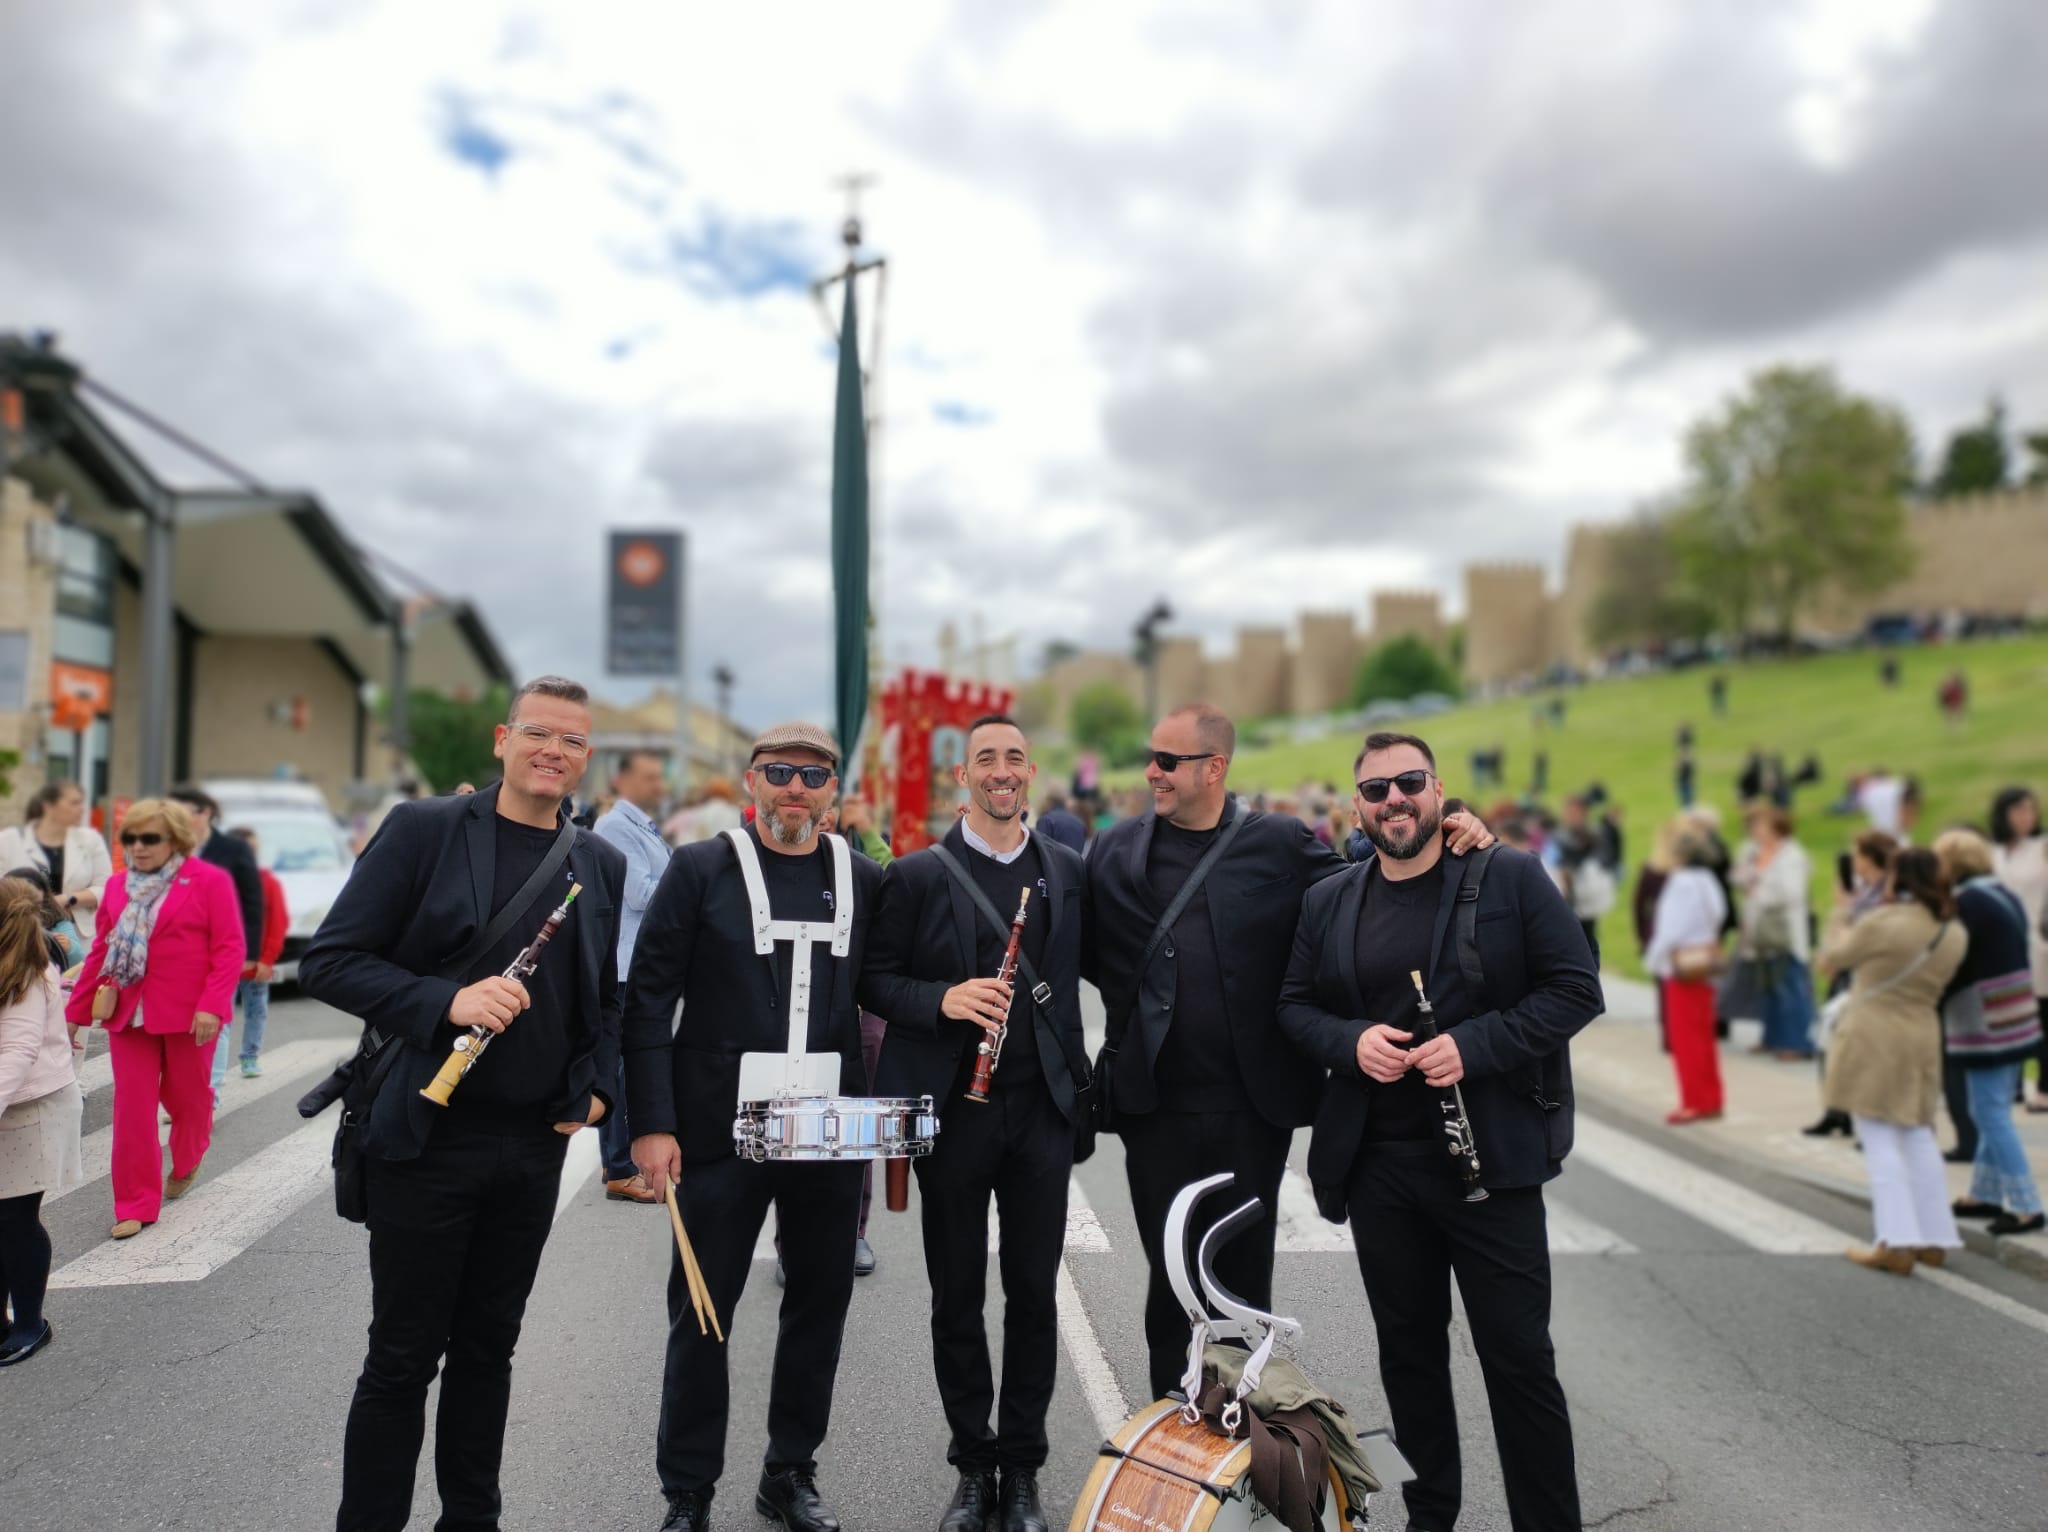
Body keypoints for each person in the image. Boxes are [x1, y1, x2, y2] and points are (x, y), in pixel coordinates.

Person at [1082, 703, 1487, 1402]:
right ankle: (1172, 1439)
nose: (1151, 771)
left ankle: (1237, 1440)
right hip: (1156, 1107)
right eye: (1152, 757)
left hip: (1253, 1106)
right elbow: (1082, 946)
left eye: (1167, 761)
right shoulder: (1116, 849)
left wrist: (1453, 827)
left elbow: (1363, 885)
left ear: (1214, 769)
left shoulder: (1279, 842)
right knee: (1171, 1280)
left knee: (1240, 1283)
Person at [299, 676, 626, 1532]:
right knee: (403, 1357)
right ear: (502, 739)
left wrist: (599, 1091)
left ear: (588, 758)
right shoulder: (424, 830)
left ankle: (471, 1520)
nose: (554, 751)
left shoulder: (600, 862)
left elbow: (608, 999)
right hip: (425, 1137)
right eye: (539, 733)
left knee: (490, 1351)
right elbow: (330, 961)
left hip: (534, 1148)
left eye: (574, 741)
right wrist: (444, 1002)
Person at [1277, 730, 1599, 1532]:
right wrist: (1349, 1042)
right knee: (1410, 1360)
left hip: (1492, 1162)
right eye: (1378, 790)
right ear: (1357, 807)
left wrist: (1476, 1046)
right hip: (1381, 1166)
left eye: (1410, 782)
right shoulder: (1331, 899)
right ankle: (1432, 1514)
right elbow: (1293, 1007)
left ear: (1438, 788)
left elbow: (1576, 989)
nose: (1395, 800)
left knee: (1519, 1361)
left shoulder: (1510, 877)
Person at [624, 723, 880, 1532]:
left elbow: (897, 991)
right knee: (704, 1313)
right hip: (718, 1131)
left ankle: (789, 1472)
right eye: (779, 773)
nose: (794, 789)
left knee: (818, 1306)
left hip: (828, 1133)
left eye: (812, 776)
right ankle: (687, 1494)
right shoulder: (700, 869)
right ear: (751, 781)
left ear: (833, 791)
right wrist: (653, 1124)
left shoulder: (866, 879)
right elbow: (648, 1001)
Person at [859, 716, 1088, 1532]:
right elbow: (876, 981)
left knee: (1032, 1293)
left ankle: (1022, 1468)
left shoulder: (1066, 869)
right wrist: (944, 1000)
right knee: (956, 1295)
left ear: (1031, 772)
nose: (1001, 771)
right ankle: (972, 1464)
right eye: (985, 758)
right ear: (963, 777)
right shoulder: (919, 876)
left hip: (1043, 1115)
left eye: (1014, 758)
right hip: (955, 1114)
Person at [63, 799, 243, 1239]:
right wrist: (75, 1013)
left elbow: (229, 948)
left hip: (190, 1014)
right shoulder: (120, 887)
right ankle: (135, 1203)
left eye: (149, 839)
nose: (138, 847)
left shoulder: (209, 882)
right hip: (128, 1012)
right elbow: (102, 950)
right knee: (133, 1110)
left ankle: (190, 1151)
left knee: (187, 1099)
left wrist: (211, 1005)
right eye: (131, 839)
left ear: (176, 840)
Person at [1813, 848, 1969, 1274]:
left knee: (1878, 1134)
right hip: (1923, 1032)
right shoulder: (1952, 930)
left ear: (1897, 877)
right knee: (1918, 1134)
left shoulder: (1884, 922)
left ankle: (1895, 1240)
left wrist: (1841, 914)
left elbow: (1831, 959)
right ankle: (1935, 1237)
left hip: (1874, 1033)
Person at [1934, 830, 2045, 1237]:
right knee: (1993, 1105)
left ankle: (2028, 1205)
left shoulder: (1966, 904)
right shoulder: (2002, 892)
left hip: (1984, 1019)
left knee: (1990, 1112)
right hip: (2015, 1010)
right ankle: (1984, 1192)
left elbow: (1953, 962)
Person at [0, 879, 84, 1365]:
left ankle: (31, 1323)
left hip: (31, 1108)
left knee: (14, 1218)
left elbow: (17, 1051)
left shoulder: (28, 974)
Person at [592, 749, 674, 1205]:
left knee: (628, 1064)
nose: (657, 784)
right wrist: (686, 879)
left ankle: (617, 1162)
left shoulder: (639, 824)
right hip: (623, 963)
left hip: (639, 961)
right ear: (622, 779)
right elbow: (640, 893)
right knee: (622, 1071)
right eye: (648, 776)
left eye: (659, 776)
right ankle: (620, 1168)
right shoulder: (617, 827)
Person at [1803, 831, 1898, 1137]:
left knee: (1852, 1047)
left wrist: (1843, 915)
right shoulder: (1866, 891)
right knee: (1830, 1042)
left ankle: (1854, 1113)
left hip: (1865, 978)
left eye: (1857, 854)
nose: (1853, 861)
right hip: (1846, 973)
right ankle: (1835, 1110)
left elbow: (1863, 935)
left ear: (1870, 858)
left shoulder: (1886, 893)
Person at [169, 785, 266, 1074]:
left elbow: (253, 902)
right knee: (184, 1021)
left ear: (206, 813)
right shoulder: (169, 848)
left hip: (225, 946)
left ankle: (211, 1093)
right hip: (181, 950)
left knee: (218, 1018)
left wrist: (250, 952)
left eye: (184, 814)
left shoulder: (233, 850)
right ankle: (186, 1091)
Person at [1644, 821, 1729, 1124]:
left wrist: (1653, 959)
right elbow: (1719, 913)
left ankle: (1693, 1101)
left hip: (1681, 964)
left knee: (1685, 1039)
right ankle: (1712, 1098)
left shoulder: (1681, 882)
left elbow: (1670, 930)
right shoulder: (1707, 879)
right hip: (1704, 960)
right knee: (1704, 1036)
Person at [1734, 803, 1815, 1060]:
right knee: (1768, 987)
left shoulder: (1792, 856)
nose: (1755, 830)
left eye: (1761, 825)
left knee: (1789, 986)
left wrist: (1758, 889)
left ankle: (1797, 1042)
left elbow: (1792, 892)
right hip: (1760, 933)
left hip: (1783, 933)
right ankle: (1772, 1037)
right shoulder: (1754, 852)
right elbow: (1739, 877)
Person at [1986, 787, 2048, 1113]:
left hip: (2040, 942)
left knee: (2043, 1016)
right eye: (2019, 810)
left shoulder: (2042, 848)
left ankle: (2045, 1086)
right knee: (2007, 1014)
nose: (2026, 817)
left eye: (2031, 810)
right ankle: (2012, 1084)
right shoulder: (1992, 851)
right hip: (2003, 942)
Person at [211, 827, 286, 1088]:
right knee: (221, 1018)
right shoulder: (218, 880)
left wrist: (266, 960)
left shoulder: (268, 882)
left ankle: (250, 1056)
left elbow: (278, 922)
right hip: (223, 966)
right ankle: (212, 1074)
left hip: (255, 966)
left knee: (257, 1012)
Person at [0, 781, 113, 930]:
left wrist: (66, 900)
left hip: (76, 937)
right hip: (21, 932)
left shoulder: (91, 840)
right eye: (74, 803)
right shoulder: (8, 839)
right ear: (49, 806)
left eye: (82, 803)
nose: (82, 809)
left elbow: (106, 887)